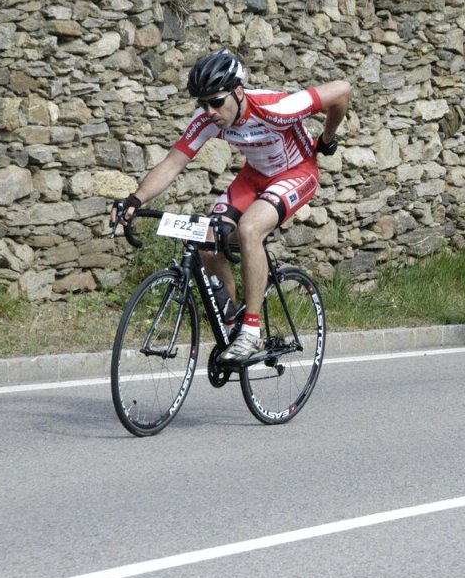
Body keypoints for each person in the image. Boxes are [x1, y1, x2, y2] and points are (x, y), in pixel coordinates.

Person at [111, 49, 352, 363]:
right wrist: (135, 199)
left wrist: (327, 137)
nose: (209, 111)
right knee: (206, 239)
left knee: (249, 229)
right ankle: (231, 327)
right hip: (254, 176)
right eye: (202, 104)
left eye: (215, 101)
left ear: (238, 92)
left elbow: (342, 90)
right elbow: (172, 163)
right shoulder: (208, 120)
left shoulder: (277, 108)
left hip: (297, 172)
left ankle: (251, 331)